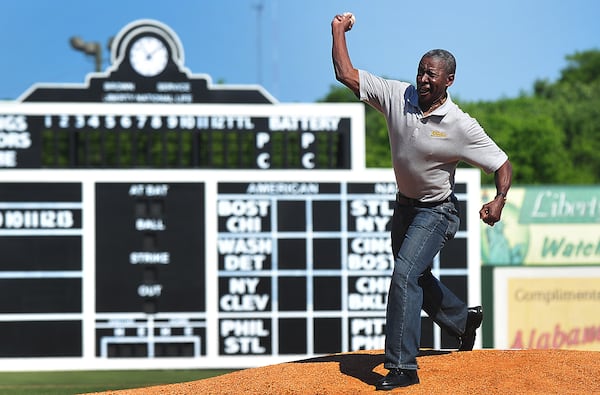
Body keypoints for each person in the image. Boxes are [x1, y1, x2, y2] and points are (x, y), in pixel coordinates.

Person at [331, 13, 513, 391]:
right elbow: (346, 74)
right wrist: (337, 32)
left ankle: (403, 367)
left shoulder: (460, 124)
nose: (423, 79)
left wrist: (499, 199)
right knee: (414, 276)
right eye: (420, 71)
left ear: (449, 80)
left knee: (403, 275)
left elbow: (501, 162)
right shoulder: (399, 96)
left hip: (438, 211)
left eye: (432, 74)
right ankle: (464, 321)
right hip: (405, 207)